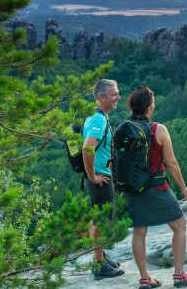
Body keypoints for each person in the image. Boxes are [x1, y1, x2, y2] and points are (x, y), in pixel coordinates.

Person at [124, 86, 187, 288]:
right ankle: (179, 275)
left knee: (139, 232)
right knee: (180, 225)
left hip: (132, 189)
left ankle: (144, 278)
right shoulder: (158, 129)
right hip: (157, 187)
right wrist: (183, 188)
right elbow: (172, 163)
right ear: (149, 108)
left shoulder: (123, 128)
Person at [82, 79, 125, 279]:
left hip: (98, 177)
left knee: (97, 218)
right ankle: (99, 266)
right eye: (114, 94)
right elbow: (87, 148)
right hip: (100, 179)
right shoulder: (99, 120)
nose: (118, 97)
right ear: (101, 97)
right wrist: (93, 176)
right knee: (101, 220)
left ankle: (100, 255)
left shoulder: (95, 117)